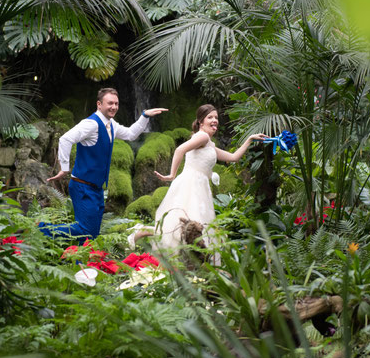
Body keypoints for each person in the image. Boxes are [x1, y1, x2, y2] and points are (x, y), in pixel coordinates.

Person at [132, 104, 265, 253]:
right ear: (201, 122)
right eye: (210, 117)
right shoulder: (202, 136)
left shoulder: (208, 143)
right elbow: (179, 149)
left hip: (200, 186)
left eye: (216, 117)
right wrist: (172, 175)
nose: (214, 120)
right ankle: (146, 233)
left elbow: (233, 157)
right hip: (191, 184)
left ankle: (147, 233)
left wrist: (250, 139)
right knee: (189, 225)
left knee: (189, 227)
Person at [39, 88, 167, 239]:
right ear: (99, 104)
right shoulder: (91, 124)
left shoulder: (111, 124)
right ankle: (41, 231)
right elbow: (65, 139)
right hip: (83, 186)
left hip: (97, 188)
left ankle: (78, 259)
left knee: (91, 234)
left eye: (116, 104)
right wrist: (64, 168)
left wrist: (144, 116)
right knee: (85, 230)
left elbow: (131, 134)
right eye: (110, 103)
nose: (114, 107)